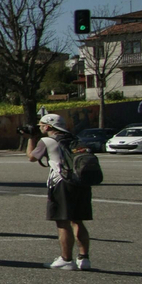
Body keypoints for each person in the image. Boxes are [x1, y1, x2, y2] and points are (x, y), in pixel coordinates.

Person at [29, 113, 92, 270]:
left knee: (62, 221)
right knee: (78, 220)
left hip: (61, 183)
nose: (40, 127)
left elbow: (31, 157)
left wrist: (30, 138)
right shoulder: (74, 139)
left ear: (48, 126)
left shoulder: (47, 141)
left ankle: (66, 259)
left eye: (41, 125)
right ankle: (84, 259)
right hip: (81, 182)